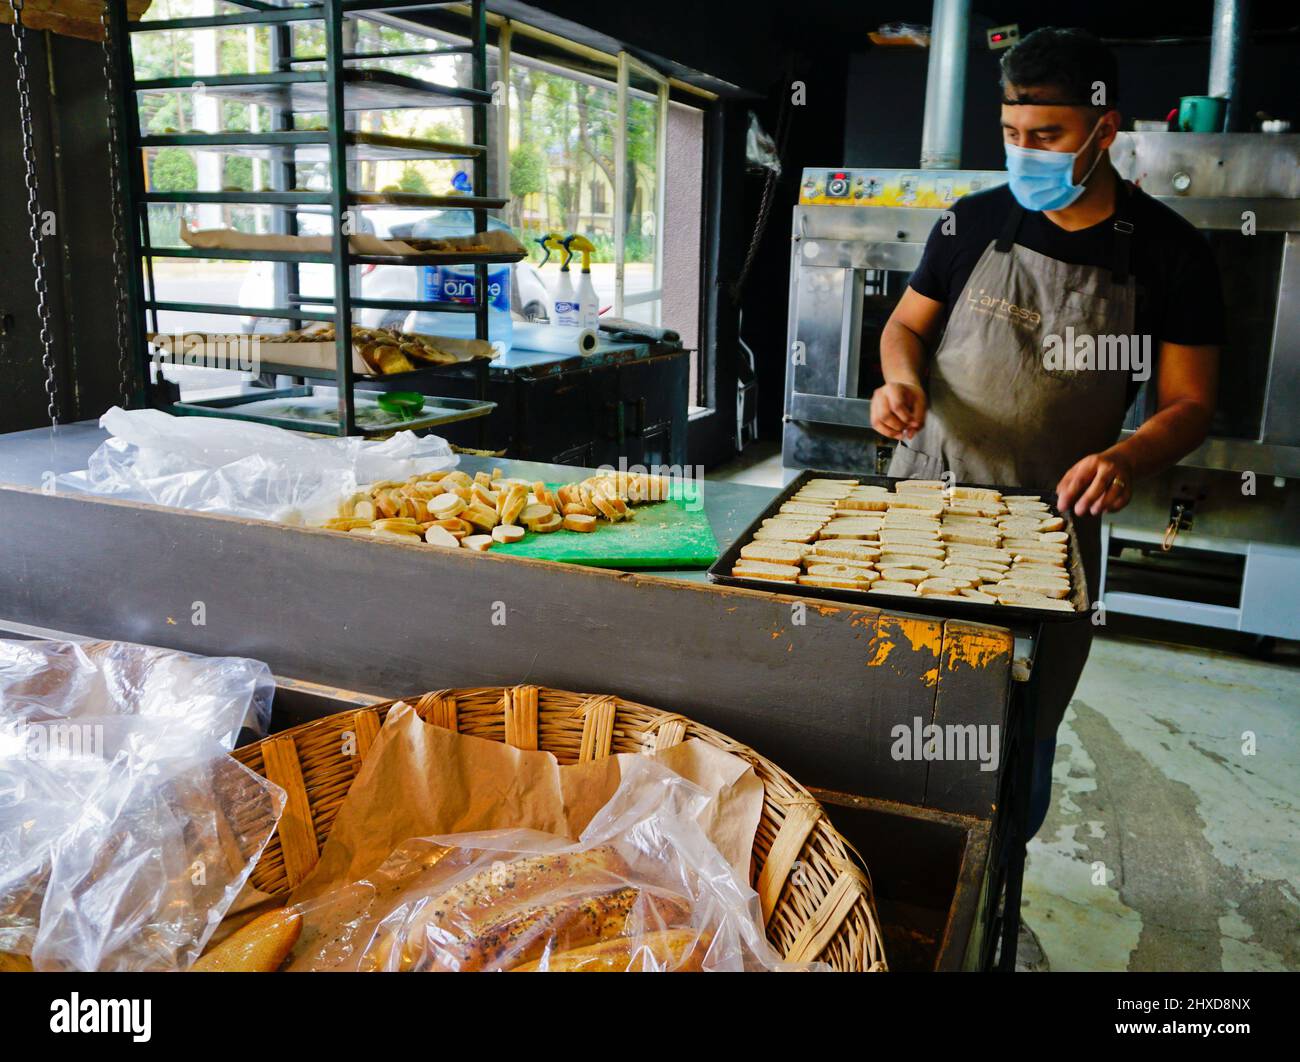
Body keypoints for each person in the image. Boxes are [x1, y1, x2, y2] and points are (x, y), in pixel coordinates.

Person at [870, 27, 1223, 838]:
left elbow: (1191, 403)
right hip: (929, 498)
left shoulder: (1171, 253)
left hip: (1049, 524)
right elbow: (905, 329)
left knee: (1012, 730)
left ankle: (990, 887)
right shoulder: (973, 223)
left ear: (1104, 128)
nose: (1023, 153)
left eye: (1047, 136)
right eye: (1010, 135)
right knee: (891, 693)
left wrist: (1127, 455)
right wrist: (900, 380)